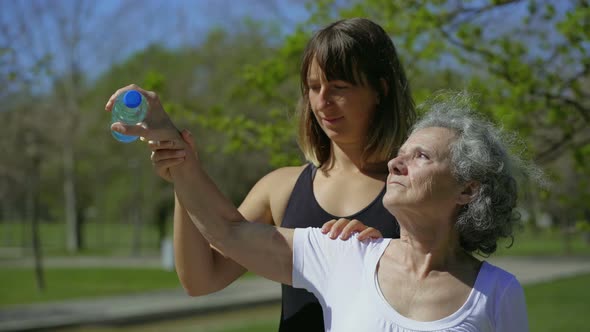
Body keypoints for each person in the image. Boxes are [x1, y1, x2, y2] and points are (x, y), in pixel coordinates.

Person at [108, 91, 532, 331]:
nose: (396, 163)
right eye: (399, 153)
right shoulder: (343, 253)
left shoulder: (497, 293)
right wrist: (178, 154)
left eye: (420, 155)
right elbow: (227, 232)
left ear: (467, 188)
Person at [113, 17, 416, 331]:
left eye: (339, 87)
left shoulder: (416, 188)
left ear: (380, 89)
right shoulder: (281, 187)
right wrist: (181, 170)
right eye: (313, 87)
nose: (322, 101)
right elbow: (202, 279)